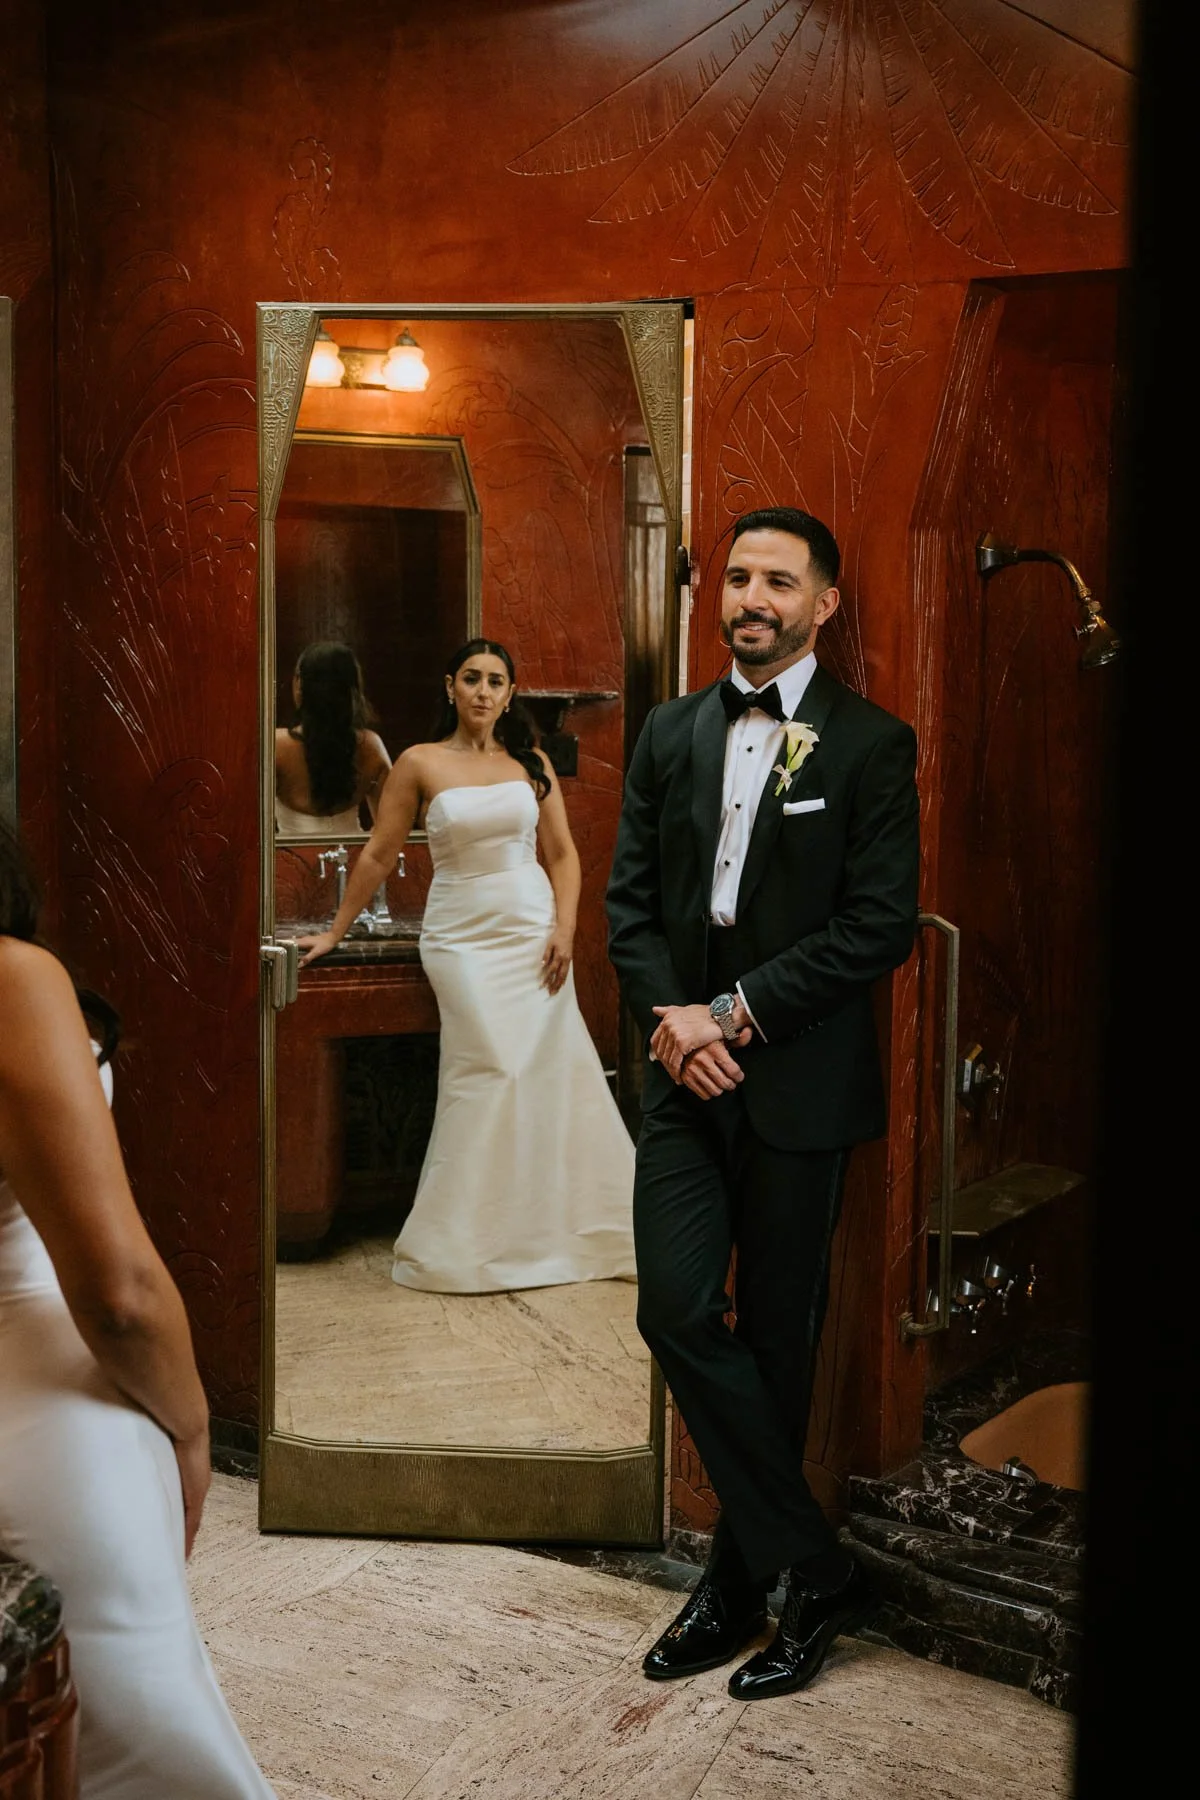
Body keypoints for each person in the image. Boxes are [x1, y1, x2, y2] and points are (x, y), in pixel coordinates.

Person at [606, 507, 919, 1700]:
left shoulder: (869, 745)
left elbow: (877, 927)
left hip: (797, 1081)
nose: (751, 597)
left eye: (778, 581)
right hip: (684, 1081)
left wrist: (731, 1016)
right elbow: (629, 905)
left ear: (822, 604)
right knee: (679, 1309)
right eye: (737, 576)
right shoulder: (673, 730)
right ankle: (819, 1568)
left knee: (780, 1345)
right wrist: (672, 1026)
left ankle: (741, 1585)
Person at [0, 821, 276, 1797]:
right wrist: (192, 1425)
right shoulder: (11, 979)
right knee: (146, 1758)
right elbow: (119, 1298)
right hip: (36, 1402)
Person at [299, 638, 635, 1293]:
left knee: (546, 1071)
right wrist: (333, 932)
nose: (484, 691)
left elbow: (562, 854)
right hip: (460, 936)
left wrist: (566, 929)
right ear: (450, 686)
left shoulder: (529, 761)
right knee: (489, 1069)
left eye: (497, 681)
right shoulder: (420, 763)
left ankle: (552, 1231)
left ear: (510, 693)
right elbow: (376, 854)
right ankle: (472, 1238)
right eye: (472, 679)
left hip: (531, 929)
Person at [274, 639, 391, 835]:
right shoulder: (370, 745)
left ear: (300, 684)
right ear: (352, 690)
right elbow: (390, 827)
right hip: (356, 861)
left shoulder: (277, 746)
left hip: (291, 863)